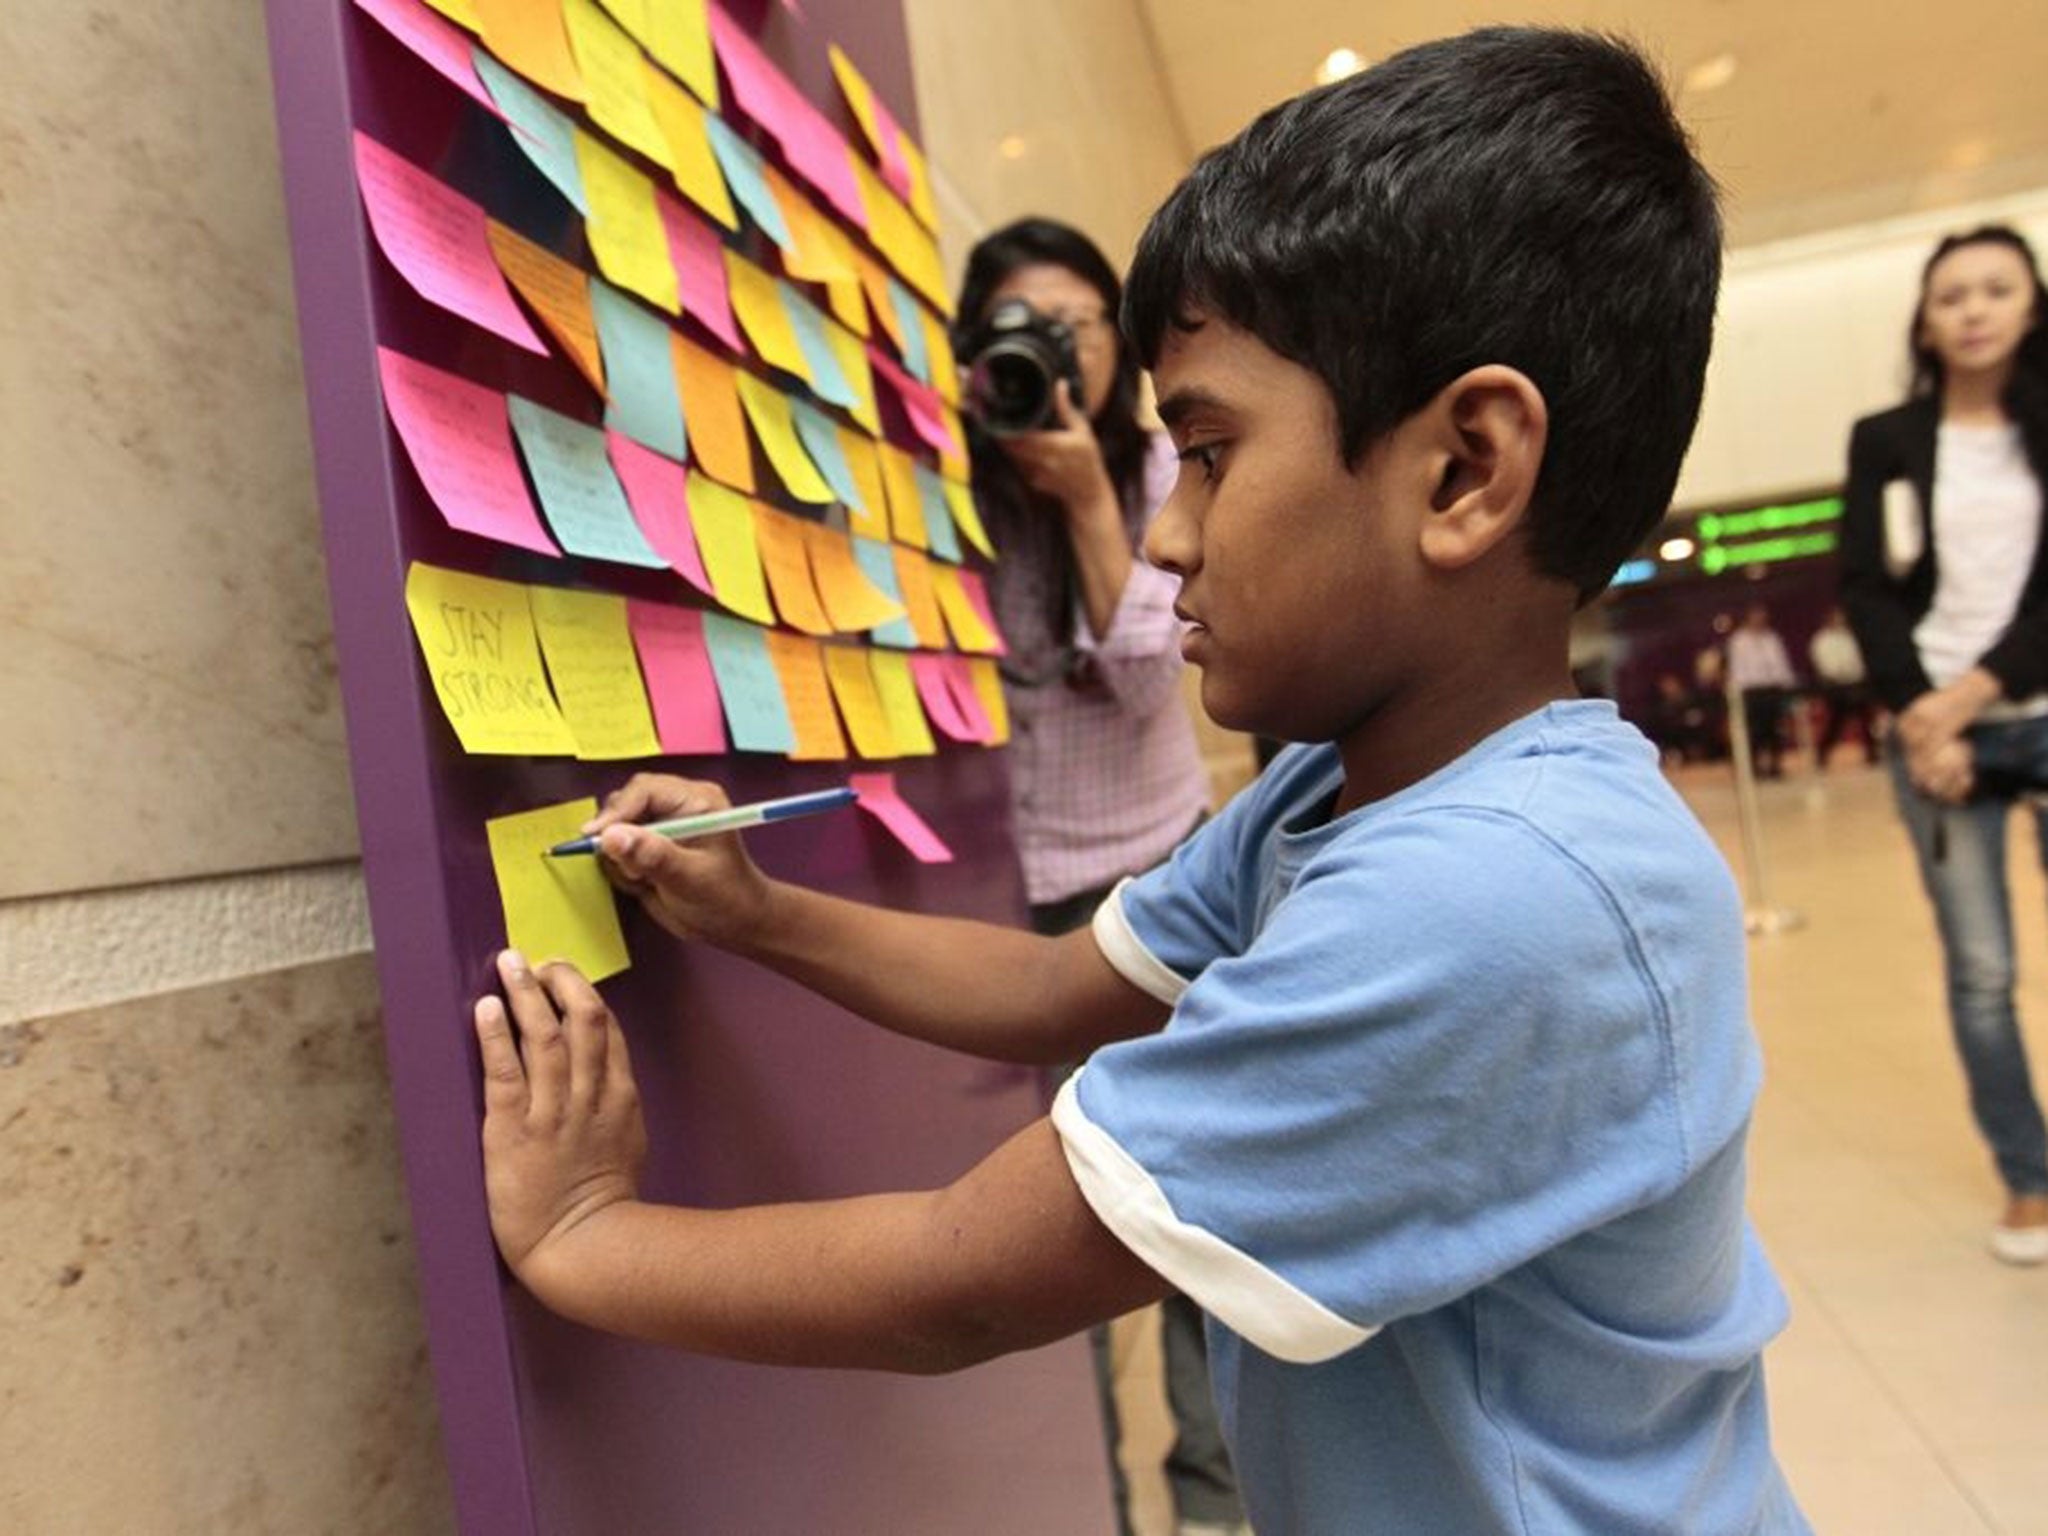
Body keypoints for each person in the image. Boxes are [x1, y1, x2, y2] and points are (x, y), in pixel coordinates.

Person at [470, 30, 1808, 1533]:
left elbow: (961, 1281)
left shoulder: (1492, 895)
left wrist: (590, 1236)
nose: (1168, 539)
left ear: (1464, 471)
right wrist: (757, 911)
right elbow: (1053, 991)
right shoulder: (1343, 788)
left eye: (1213, 455)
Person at [953, 218, 1236, 1536]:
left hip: (1158, 880)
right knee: (1045, 1238)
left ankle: (1217, 1507)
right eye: (1022, 329)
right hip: (1009, 914)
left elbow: (1146, 671)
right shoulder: (941, 490)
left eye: (1077, 326)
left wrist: (1078, 496)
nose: (1050, 353)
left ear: (1117, 345)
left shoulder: (1160, 467)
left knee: (1187, 1214)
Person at [1840, 223, 2048, 1266]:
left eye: (1994, 289)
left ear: (2030, 305)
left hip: (2026, 707)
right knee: (1978, 972)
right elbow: (1864, 590)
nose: (1971, 309)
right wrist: (1921, 720)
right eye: (1950, 293)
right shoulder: (1885, 437)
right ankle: (2028, 1179)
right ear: (1924, 317)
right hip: (1929, 731)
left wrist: (1962, 700)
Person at [1726, 601, 1798, 777]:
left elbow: (1781, 664)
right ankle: (1754, 768)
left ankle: (1775, 765)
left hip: (1772, 689)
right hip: (1752, 692)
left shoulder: (1772, 638)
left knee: (1774, 731)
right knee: (1755, 732)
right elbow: (1738, 668)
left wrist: (1787, 683)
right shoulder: (1739, 641)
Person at [1808, 605, 1881, 767]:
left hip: (1855, 682)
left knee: (1865, 720)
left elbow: (1859, 659)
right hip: (1836, 685)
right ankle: (1822, 755)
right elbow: (1824, 663)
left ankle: (1872, 753)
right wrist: (1837, 675)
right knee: (1835, 722)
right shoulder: (1822, 640)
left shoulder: (1851, 637)